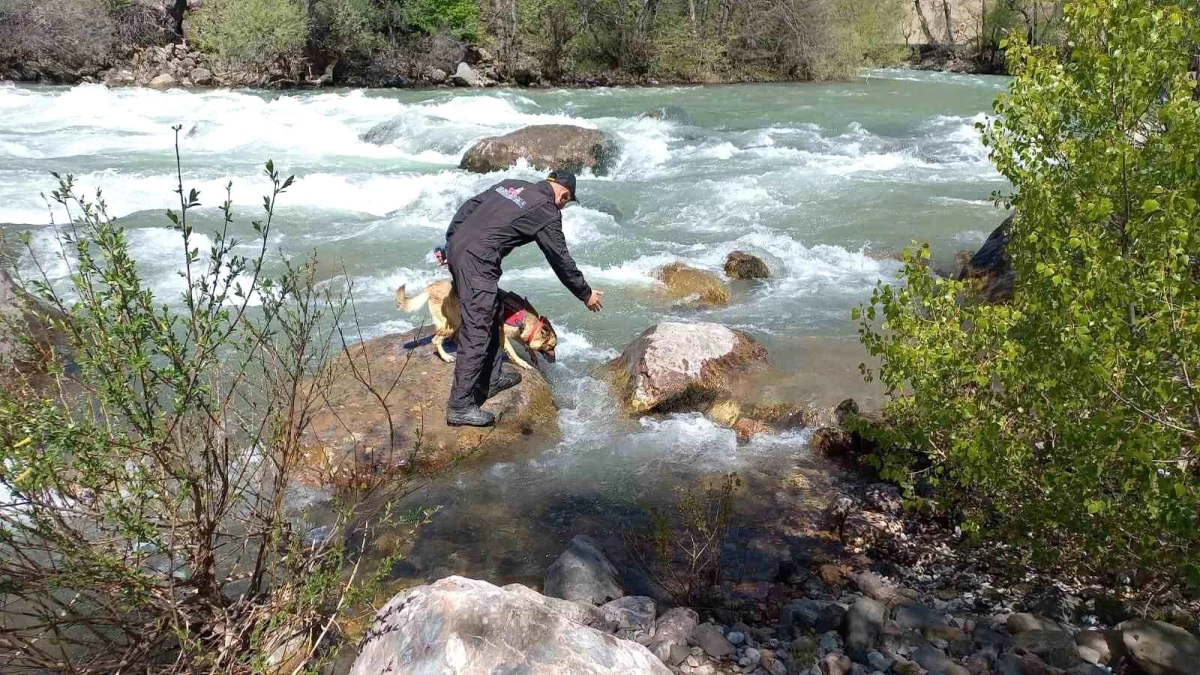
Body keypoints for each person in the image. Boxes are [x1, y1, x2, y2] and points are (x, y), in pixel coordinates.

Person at [443, 170, 604, 427]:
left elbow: (470, 206)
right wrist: (585, 293)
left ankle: (491, 378)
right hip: (478, 263)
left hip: (459, 248)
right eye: (566, 202)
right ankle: (460, 406)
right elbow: (560, 258)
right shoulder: (547, 211)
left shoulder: (512, 185)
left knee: (492, 311)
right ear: (564, 194)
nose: (562, 206)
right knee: (477, 330)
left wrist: (449, 242)